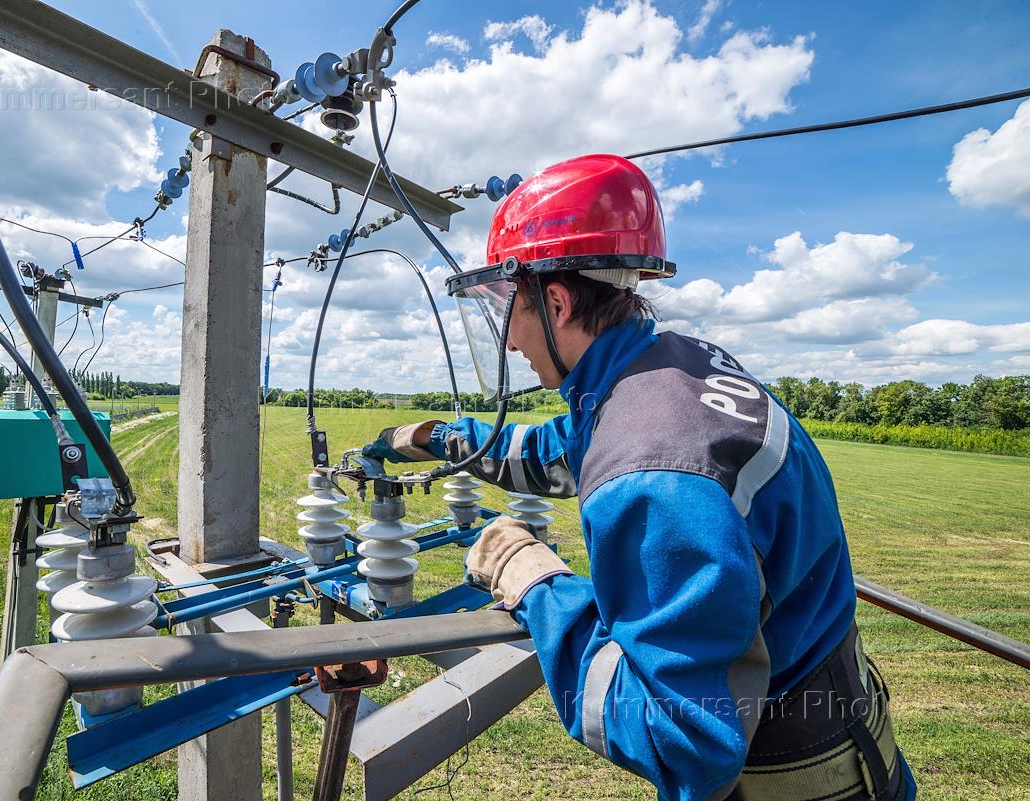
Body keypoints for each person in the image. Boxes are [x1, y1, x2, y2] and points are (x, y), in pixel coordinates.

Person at [362, 155, 916, 801]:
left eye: (506, 312)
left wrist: (536, 582)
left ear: (558, 301)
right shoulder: (666, 373)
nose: (509, 341)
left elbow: (679, 737)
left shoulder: (654, 470)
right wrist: (439, 437)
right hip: (843, 732)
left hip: (790, 779)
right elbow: (559, 447)